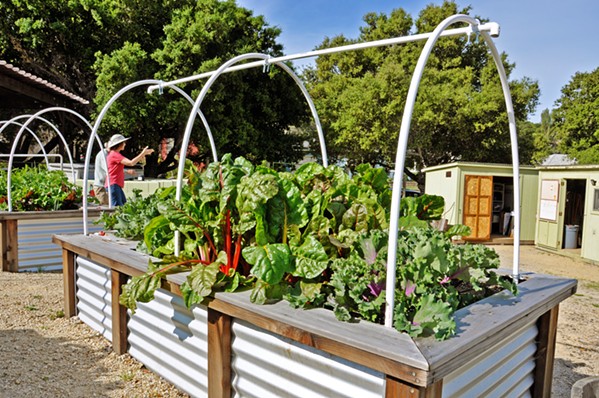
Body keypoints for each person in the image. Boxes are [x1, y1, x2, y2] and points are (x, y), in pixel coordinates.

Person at [105, 134, 154, 206]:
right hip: (113, 184)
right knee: (117, 208)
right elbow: (131, 163)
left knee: (123, 206)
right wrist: (142, 153)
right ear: (119, 144)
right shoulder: (115, 155)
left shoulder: (114, 154)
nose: (125, 144)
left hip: (114, 185)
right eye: (123, 143)